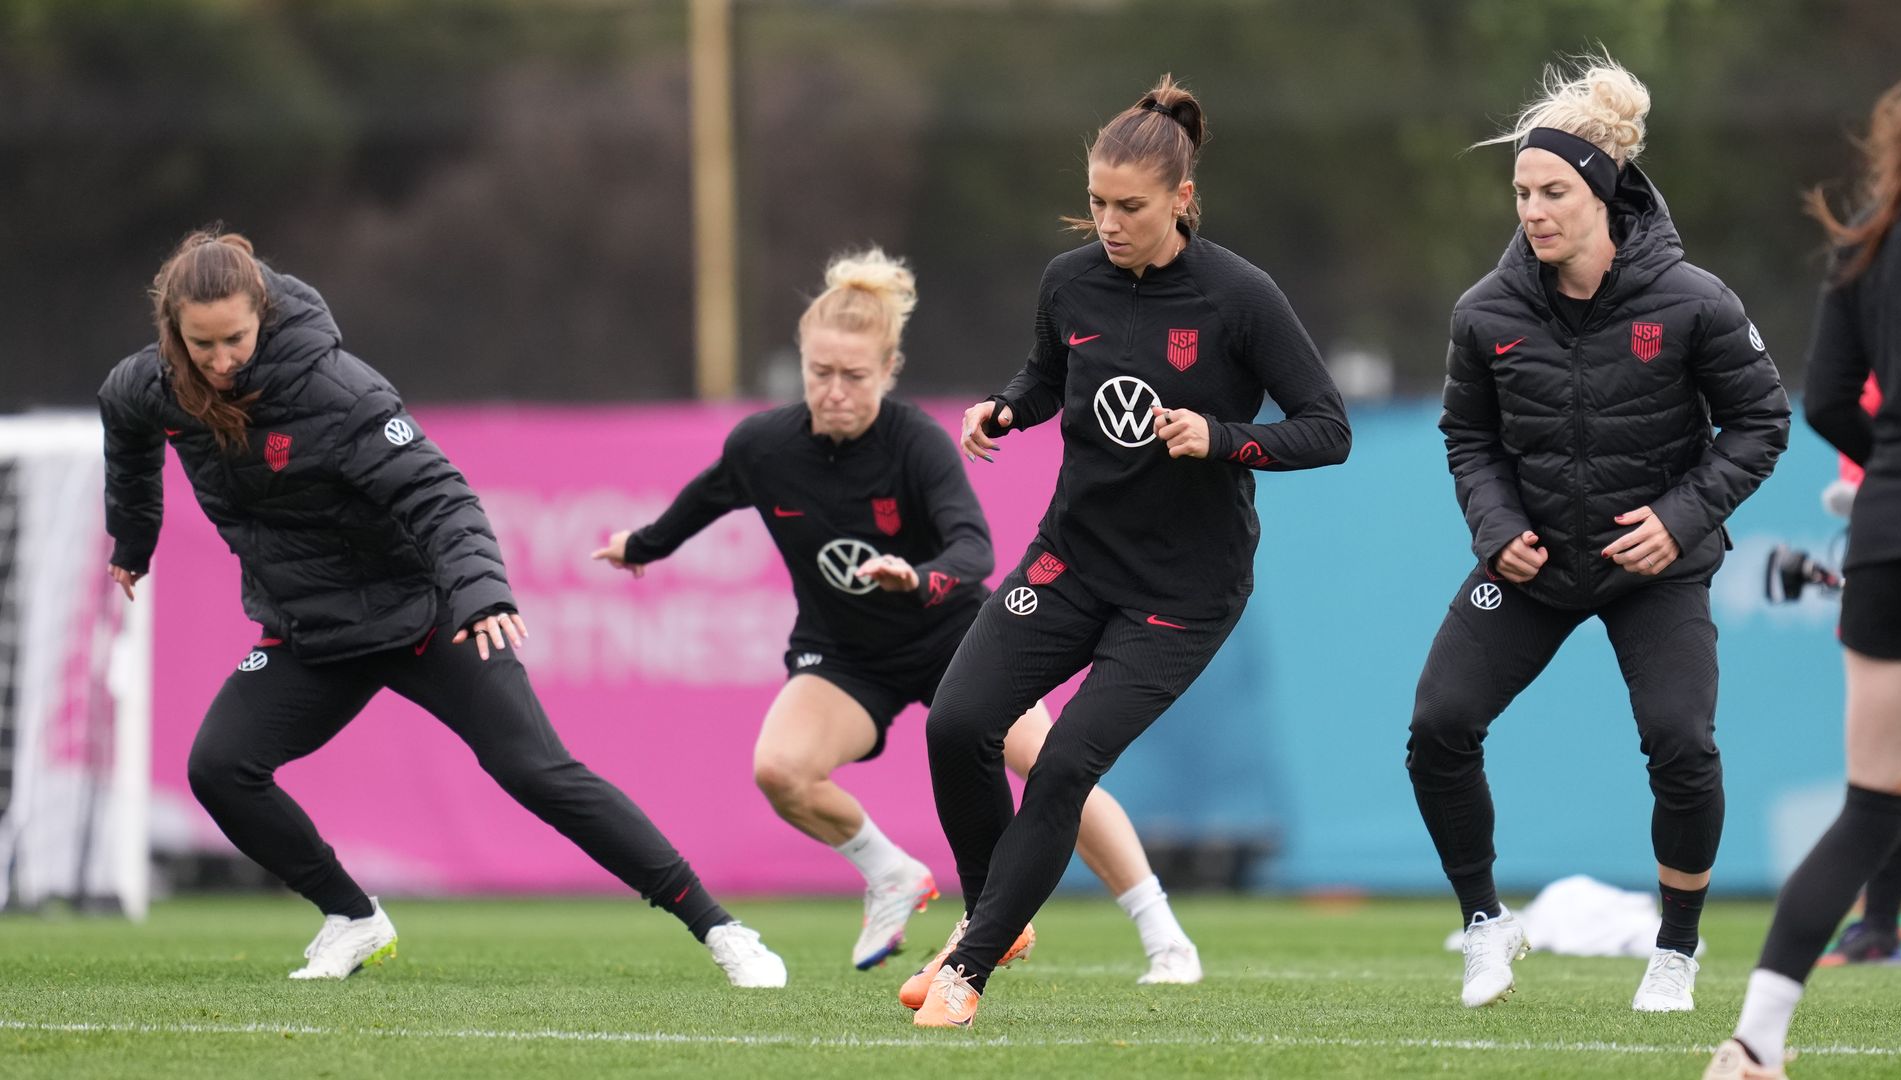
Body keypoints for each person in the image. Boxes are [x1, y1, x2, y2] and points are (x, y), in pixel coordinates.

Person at [99, 229, 786, 988]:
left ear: (261, 313)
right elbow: (123, 424)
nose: (222, 360)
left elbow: (441, 495)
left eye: (235, 339)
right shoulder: (157, 384)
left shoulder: (339, 391)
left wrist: (481, 592)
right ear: (174, 333)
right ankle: (353, 917)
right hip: (313, 629)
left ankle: (721, 929)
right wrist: (135, 537)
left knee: (536, 771)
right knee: (220, 767)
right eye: (203, 345)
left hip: (422, 615)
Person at [589, 247, 1204, 982]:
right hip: (846, 654)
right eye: (821, 373)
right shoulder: (764, 446)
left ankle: (1165, 937)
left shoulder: (914, 444)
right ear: (802, 365)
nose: (836, 391)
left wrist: (918, 576)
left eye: (855, 376)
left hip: (953, 638)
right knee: (780, 770)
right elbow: (708, 496)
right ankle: (891, 874)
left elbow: (974, 548)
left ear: (888, 370)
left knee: (1052, 767)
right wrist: (643, 546)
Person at [905, 75, 1352, 1028]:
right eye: (1099, 203)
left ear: (1182, 201)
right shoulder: (1069, 281)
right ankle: (997, 917)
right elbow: (1046, 371)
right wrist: (1007, 410)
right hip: (1071, 561)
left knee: (1064, 764)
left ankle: (967, 970)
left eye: (1130, 207)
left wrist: (1226, 438)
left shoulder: (1241, 297)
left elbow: (1327, 427)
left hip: (1184, 594)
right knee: (955, 724)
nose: (1109, 223)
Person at [1402, 55, 1790, 1013]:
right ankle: (1487, 927)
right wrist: (1497, 530)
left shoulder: (1695, 299)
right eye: (1523, 192)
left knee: (1682, 745)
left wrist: (1681, 520)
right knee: (1437, 728)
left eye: (1555, 192)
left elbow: (1761, 422)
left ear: (1605, 194)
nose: (1533, 211)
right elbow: (1469, 438)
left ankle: (1678, 953)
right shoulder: (1484, 312)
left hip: (1652, 568)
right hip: (1530, 567)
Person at [1708, 78, 1901, 1079]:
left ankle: (1754, 1044)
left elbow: (1829, 399)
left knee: (1873, 807)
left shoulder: (1866, 245)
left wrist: (1898, 469)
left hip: (1888, 534)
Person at [1813, 376, 1901, 970]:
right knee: (1896, 767)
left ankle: (1879, 926)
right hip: (1892, 565)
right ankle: (1879, 925)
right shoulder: (1872, 370)